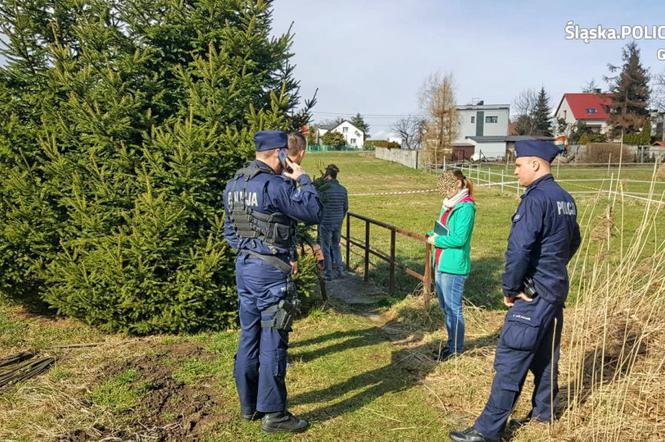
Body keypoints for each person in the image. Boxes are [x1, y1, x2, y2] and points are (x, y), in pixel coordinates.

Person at [449, 140, 582, 442]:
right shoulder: (565, 198)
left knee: (511, 360)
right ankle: (544, 416)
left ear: (535, 164)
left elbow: (519, 249)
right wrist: (553, 270)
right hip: (554, 293)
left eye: (519, 164)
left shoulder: (535, 199)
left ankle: (487, 431)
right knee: (547, 358)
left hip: (532, 296)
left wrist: (512, 288)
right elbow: (574, 241)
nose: (515, 170)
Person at [223, 130, 321, 434]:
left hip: (245, 268)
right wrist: (302, 178)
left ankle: (248, 406)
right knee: (273, 340)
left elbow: (229, 231)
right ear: (279, 153)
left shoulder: (235, 184)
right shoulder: (274, 184)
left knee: (248, 336)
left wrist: (254, 251)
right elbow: (312, 211)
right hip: (270, 275)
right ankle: (274, 414)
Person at [426, 169, 476, 360]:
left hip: (453, 266)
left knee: (453, 309)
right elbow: (443, 229)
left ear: (458, 184)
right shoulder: (448, 205)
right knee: (446, 307)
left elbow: (459, 238)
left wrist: (436, 241)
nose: (444, 191)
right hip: (440, 262)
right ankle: (450, 345)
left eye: (447, 187)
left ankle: (455, 349)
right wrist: (432, 234)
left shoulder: (466, 208)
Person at [317, 164, 348, 280]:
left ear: (328, 175)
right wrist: (340, 218)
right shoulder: (343, 190)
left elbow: (318, 205)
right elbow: (345, 207)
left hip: (325, 222)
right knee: (336, 246)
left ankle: (329, 273)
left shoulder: (323, 189)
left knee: (325, 247)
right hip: (338, 222)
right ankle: (340, 271)